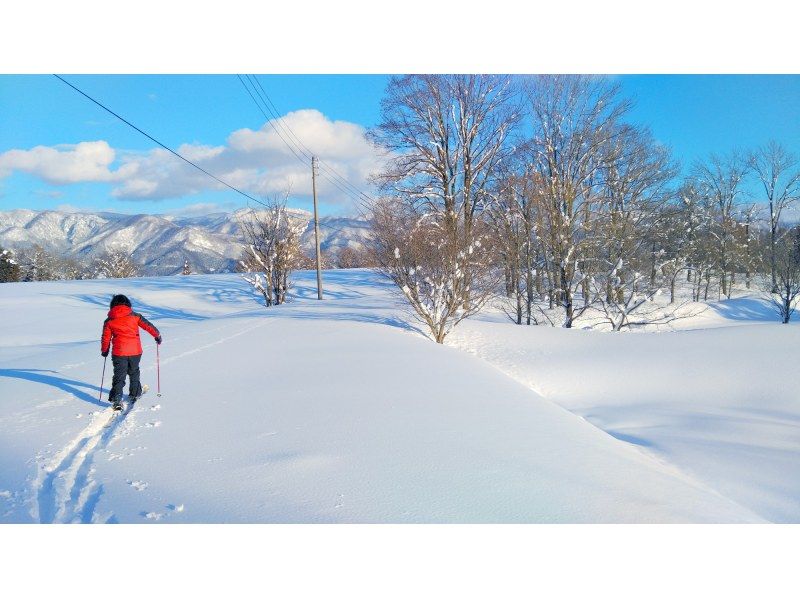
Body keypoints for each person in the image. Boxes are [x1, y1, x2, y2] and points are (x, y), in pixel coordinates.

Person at [101, 294, 161, 407]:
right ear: (128, 304)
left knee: (119, 374)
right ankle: (135, 393)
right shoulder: (135, 316)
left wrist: (105, 350)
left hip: (119, 353)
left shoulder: (109, 321)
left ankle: (117, 397)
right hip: (135, 351)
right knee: (134, 372)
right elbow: (149, 326)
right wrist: (157, 336)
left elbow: (106, 338)